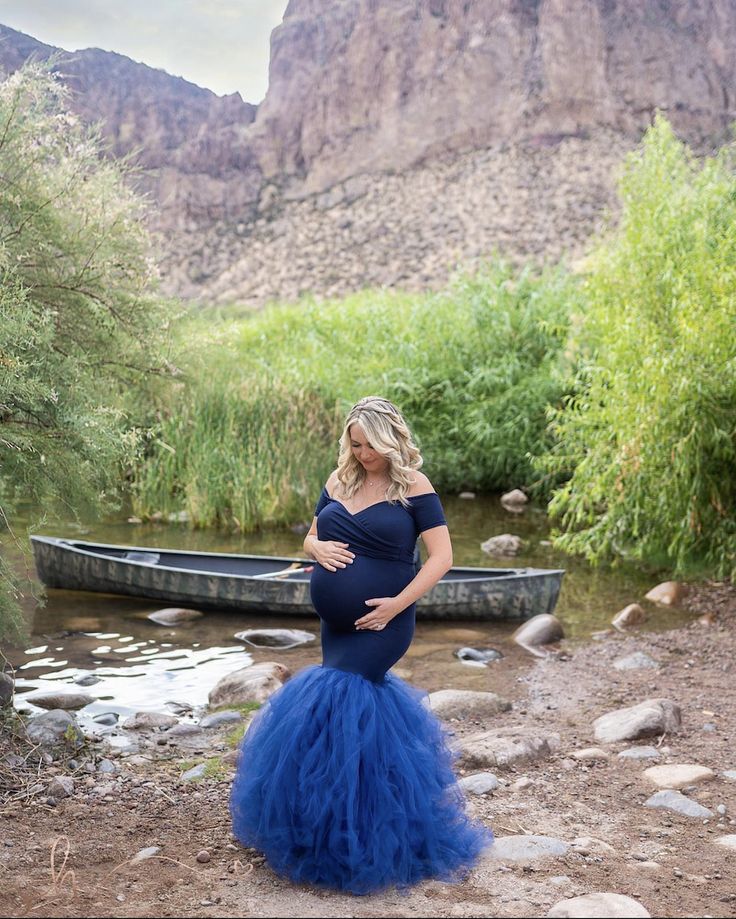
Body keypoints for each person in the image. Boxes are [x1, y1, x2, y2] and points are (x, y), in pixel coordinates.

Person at [229, 396, 493, 894]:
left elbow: (442, 558)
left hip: (384, 622)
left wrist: (396, 604)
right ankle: (315, 830)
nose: (363, 452)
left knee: (343, 695)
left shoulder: (414, 486)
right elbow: (311, 535)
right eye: (355, 443)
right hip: (335, 625)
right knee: (340, 717)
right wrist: (316, 547)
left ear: (390, 439)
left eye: (370, 444)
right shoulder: (338, 480)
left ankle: (361, 841)